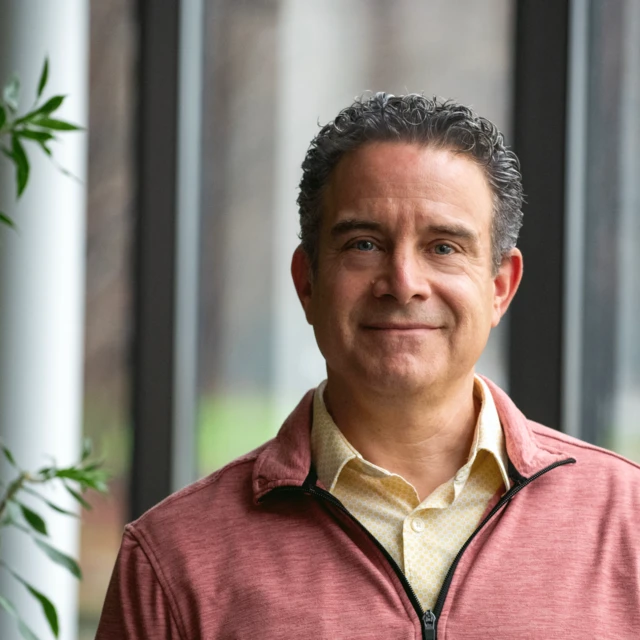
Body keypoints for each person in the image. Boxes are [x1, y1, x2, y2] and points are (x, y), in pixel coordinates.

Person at [96, 94, 640, 639]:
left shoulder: (628, 523)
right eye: (364, 244)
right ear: (307, 282)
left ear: (500, 287)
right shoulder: (173, 559)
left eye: (444, 247)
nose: (403, 282)